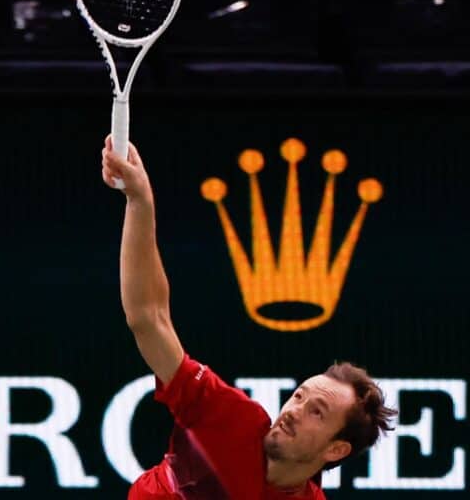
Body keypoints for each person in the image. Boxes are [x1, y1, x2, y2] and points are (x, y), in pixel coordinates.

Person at [102, 136, 397, 500]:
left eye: (316, 413)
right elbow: (149, 318)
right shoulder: (232, 420)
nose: (293, 411)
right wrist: (139, 201)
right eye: (300, 396)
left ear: (335, 450)